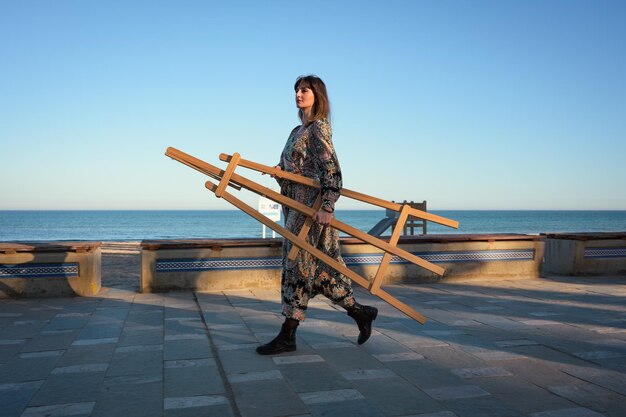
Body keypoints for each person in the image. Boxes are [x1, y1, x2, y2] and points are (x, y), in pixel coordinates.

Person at [256, 75, 378, 355]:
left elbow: (331, 170)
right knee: (319, 272)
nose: (298, 94)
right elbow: (294, 166)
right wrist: (277, 171)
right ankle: (360, 313)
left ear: (317, 95)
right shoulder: (295, 131)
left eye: (304, 90)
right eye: (296, 90)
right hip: (294, 209)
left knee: (297, 269)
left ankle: (288, 336)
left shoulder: (318, 128)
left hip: (312, 211)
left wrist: (327, 206)